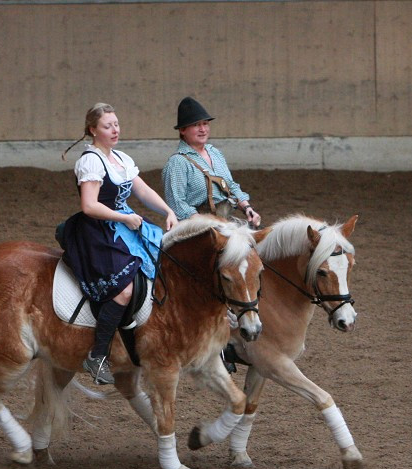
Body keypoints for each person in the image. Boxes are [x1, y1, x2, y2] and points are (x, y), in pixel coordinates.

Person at [58, 102, 177, 385]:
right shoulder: (91, 161)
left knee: (162, 267)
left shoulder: (121, 158)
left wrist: (168, 211)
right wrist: (123, 219)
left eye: (116, 124)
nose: (114, 130)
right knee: (123, 290)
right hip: (97, 231)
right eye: (107, 126)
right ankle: (98, 355)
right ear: (93, 130)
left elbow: (143, 190)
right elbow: (89, 206)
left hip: (124, 223)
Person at [162, 97, 261, 228]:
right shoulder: (177, 162)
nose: (203, 129)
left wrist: (247, 208)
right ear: (182, 130)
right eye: (196, 125)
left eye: (205, 123)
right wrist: (204, 223)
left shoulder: (214, 152)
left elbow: (231, 186)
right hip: (196, 227)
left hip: (224, 221)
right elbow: (177, 203)